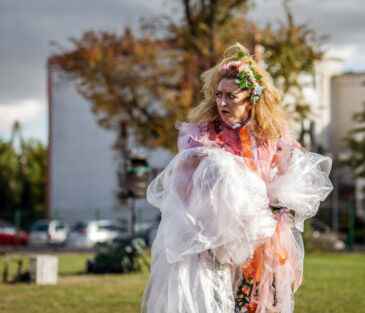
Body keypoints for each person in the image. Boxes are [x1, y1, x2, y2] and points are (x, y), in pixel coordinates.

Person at [141, 43, 333, 313]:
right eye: (219, 95)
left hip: (263, 240)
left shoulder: (271, 136)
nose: (222, 103)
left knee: (259, 302)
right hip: (215, 243)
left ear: (251, 98)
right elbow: (184, 188)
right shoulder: (203, 136)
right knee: (220, 303)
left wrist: (282, 196)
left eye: (231, 96)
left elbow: (291, 170)